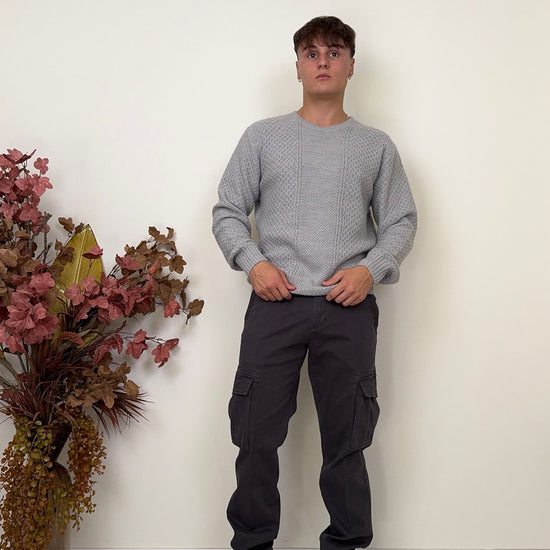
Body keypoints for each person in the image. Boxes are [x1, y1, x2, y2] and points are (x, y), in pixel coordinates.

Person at [212, 15, 417, 550]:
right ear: (298, 66)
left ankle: (346, 543)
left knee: (347, 441)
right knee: (254, 436)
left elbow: (401, 221)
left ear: (351, 65)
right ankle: (252, 543)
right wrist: (253, 262)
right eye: (311, 53)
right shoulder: (263, 138)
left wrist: (369, 269)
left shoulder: (375, 146)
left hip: (347, 308)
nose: (323, 61)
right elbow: (228, 211)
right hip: (274, 304)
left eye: (334, 52)